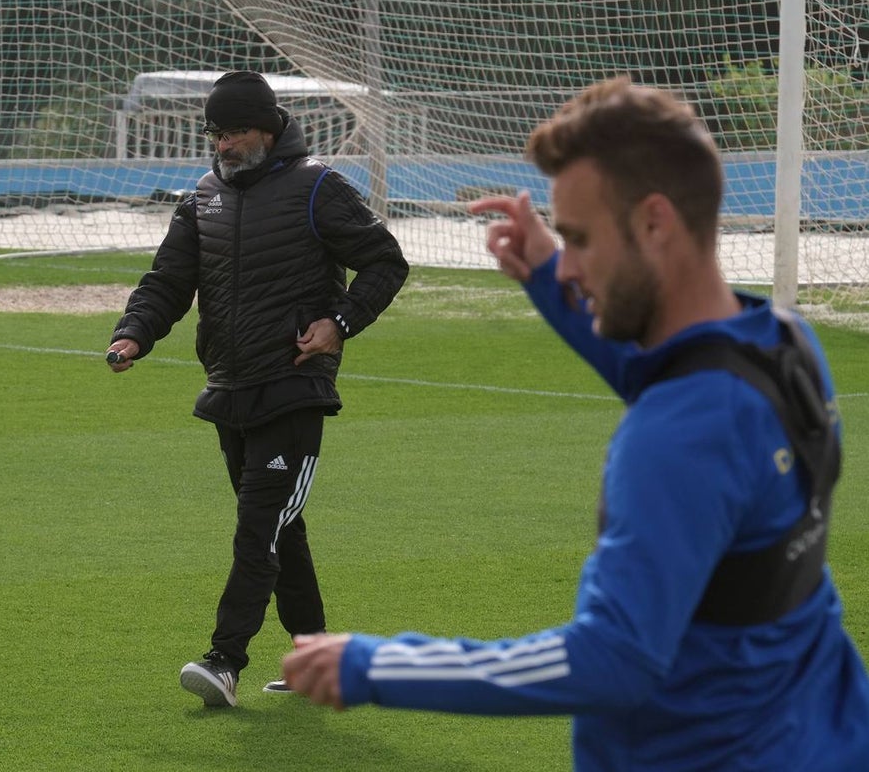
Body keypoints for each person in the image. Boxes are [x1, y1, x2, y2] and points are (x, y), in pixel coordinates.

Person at [282, 77, 869, 769]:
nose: (573, 269)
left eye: (581, 240)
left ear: (654, 223)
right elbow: (669, 364)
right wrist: (543, 269)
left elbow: (613, 658)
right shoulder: (781, 344)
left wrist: (376, 665)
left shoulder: (677, 437)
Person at [106, 70, 408, 708]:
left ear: (268, 130)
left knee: (259, 527)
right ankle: (319, 662)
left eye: (235, 131)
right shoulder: (203, 197)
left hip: (295, 386)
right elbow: (168, 280)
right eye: (214, 132)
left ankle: (224, 661)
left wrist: (340, 323)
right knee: (280, 530)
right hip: (230, 388)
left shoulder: (318, 187)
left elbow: (386, 259)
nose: (222, 144)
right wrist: (135, 334)